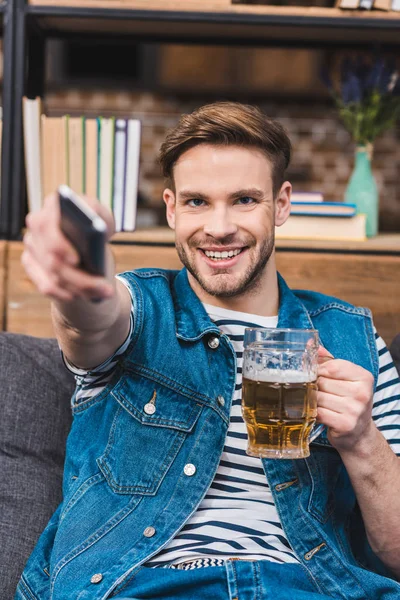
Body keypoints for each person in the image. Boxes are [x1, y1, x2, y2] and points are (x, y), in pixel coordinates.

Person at [17, 102, 400, 600]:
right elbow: (92, 319)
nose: (219, 227)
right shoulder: (142, 310)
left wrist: (361, 440)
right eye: (198, 202)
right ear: (172, 208)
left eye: (244, 200)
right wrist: (80, 281)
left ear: (281, 204)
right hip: (146, 583)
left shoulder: (351, 337)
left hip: (309, 585)